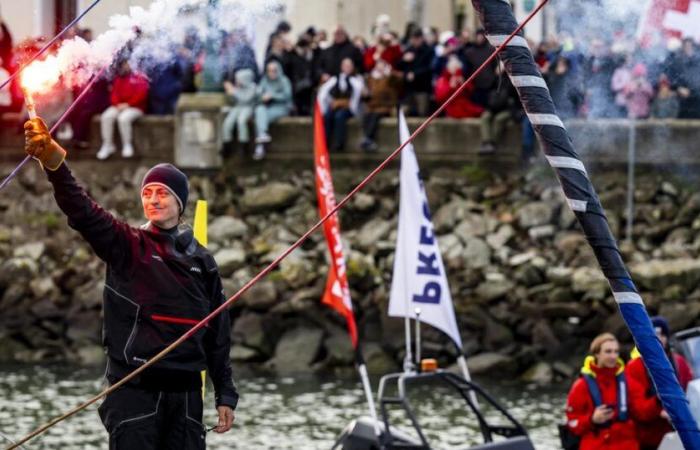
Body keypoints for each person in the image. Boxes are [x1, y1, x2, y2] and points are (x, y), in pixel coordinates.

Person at [23, 117, 237, 449]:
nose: (153, 199)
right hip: (135, 395)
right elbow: (83, 211)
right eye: (147, 193)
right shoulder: (126, 245)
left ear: (179, 203)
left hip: (186, 399)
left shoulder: (202, 261)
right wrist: (54, 163)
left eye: (162, 193)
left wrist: (226, 393)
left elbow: (218, 333)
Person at [565, 333, 659, 450]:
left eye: (616, 351)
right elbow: (572, 422)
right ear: (596, 354)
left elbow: (642, 411)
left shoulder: (628, 382)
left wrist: (658, 401)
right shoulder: (581, 386)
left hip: (627, 445)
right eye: (608, 352)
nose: (613, 356)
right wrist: (592, 419)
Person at [627, 316, 693, 450]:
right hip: (652, 439)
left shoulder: (680, 363)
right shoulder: (634, 368)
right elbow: (640, 411)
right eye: (653, 334)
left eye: (662, 335)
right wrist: (659, 402)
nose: (659, 338)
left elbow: (692, 393)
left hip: (683, 433)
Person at [97, 59, 149, 160]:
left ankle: (127, 145)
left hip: (135, 107)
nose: (126, 66)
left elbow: (142, 94)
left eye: (128, 63)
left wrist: (129, 104)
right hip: (119, 106)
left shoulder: (140, 77)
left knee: (123, 119)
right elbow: (114, 93)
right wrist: (117, 104)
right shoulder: (119, 78)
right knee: (106, 117)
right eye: (124, 64)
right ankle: (108, 145)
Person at [318, 57, 364, 152]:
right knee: (327, 116)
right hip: (336, 105)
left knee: (339, 117)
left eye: (349, 66)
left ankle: (339, 143)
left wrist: (351, 107)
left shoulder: (356, 79)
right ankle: (325, 142)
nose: (347, 68)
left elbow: (357, 95)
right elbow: (323, 92)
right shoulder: (336, 79)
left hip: (348, 107)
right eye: (345, 66)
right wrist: (326, 105)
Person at [253, 61, 293, 160]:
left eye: (274, 71)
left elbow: (287, 96)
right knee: (259, 110)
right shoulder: (264, 80)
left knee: (261, 118)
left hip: (281, 107)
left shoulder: (284, 80)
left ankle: (260, 146)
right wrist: (262, 97)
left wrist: (272, 96)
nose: (271, 73)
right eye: (269, 71)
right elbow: (258, 94)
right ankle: (262, 135)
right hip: (267, 107)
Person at [361, 58, 402, 152]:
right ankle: (368, 138)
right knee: (367, 115)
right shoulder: (371, 78)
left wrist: (389, 73)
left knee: (375, 115)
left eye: (382, 65)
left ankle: (368, 139)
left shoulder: (390, 77)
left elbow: (399, 81)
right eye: (378, 65)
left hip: (386, 106)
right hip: (372, 106)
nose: (379, 67)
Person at [397, 29, 434, 117]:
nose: (414, 41)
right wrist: (404, 59)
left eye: (416, 39)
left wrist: (415, 74)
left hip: (422, 87)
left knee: (422, 111)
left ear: (421, 39)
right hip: (409, 88)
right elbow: (399, 66)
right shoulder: (409, 50)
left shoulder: (428, 50)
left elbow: (429, 68)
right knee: (405, 111)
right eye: (413, 39)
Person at [221, 68, 257, 155]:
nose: (237, 81)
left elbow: (246, 99)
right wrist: (229, 93)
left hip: (248, 107)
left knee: (241, 121)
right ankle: (226, 144)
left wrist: (234, 92)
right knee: (228, 122)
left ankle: (244, 144)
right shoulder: (237, 88)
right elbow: (233, 101)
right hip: (237, 107)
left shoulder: (253, 87)